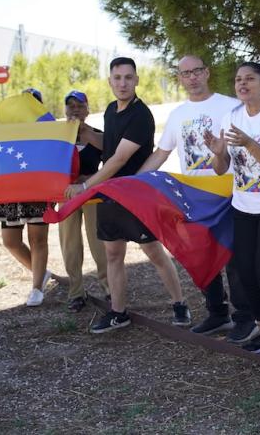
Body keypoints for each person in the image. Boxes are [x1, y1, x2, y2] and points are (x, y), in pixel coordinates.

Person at [137, 55, 257, 343]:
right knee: (203, 254)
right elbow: (162, 153)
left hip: (230, 193)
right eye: (185, 73)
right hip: (195, 197)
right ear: (179, 78)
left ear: (207, 72)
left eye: (196, 71)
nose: (192, 77)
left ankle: (246, 318)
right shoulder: (178, 114)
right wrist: (135, 180)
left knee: (235, 258)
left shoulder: (231, 106)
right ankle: (217, 312)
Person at [65, 57, 190, 333]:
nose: (123, 83)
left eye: (128, 77)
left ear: (136, 80)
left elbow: (118, 160)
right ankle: (118, 312)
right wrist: (85, 133)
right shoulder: (111, 110)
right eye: (117, 78)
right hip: (112, 195)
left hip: (135, 193)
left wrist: (86, 188)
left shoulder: (141, 115)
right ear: (110, 81)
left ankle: (180, 303)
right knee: (113, 254)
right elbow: (108, 146)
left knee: (154, 252)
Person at [204, 62, 260, 361]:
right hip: (243, 205)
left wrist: (247, 142)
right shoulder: (231, 117)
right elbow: (222, 170)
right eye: (238, 80)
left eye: (250, 79)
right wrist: (219, 154)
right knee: (245, 273)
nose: (242, 84)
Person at [0, 88, 55, 307]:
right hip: (9, 192)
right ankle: (42, 273)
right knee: (11, 241)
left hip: (38, 190)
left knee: (38, 239)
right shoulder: (5, 130)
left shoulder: (49, 131)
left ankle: (36, 287)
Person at [57, 90, 108, 312]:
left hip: (92, 194)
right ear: (65, 110)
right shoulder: (57, 137)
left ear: (87, 109)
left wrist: (92, 180)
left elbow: (113, 163)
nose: (75, 109)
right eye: (71, 106)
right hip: (65, 195)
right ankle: (76, 292)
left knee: (99, 244)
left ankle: (109, 288)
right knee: (70, 245)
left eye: (80, 105)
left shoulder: (98, 135)